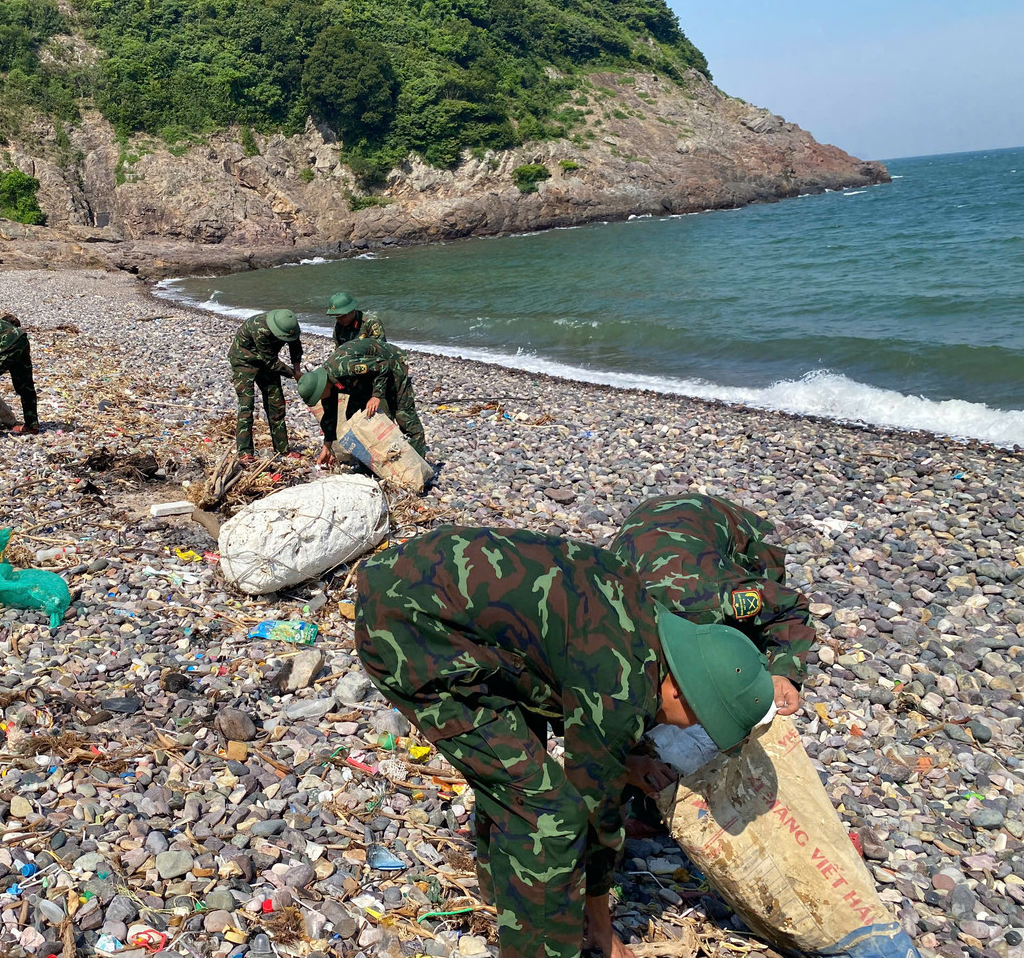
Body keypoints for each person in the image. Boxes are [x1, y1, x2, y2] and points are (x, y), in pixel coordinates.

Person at [356, 527, 776, 958]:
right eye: (699, 719)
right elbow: (595, 812)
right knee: (548, 814)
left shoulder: (646, 612)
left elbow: (572, 679)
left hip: (421, 584)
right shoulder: (621, 688)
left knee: (519, 765)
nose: (691, 730)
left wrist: (622, 755)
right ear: (680, 690)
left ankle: (503, 890)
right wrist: (600, 924)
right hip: (409, 631)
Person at [609, 493, 816, 716]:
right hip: (642, 521)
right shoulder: (608, 617)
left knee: (753, 635)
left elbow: (788, 607)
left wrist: (783, 672)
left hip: (707, 515)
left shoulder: (719, 596)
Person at [296, 337, 424, 464]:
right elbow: (329, 416)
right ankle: (370, 462)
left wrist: (376, 396)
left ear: (321, 387)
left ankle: (418, 467)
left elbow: (382, 365)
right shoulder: (326, 384)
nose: (320, 400)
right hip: (368, 376)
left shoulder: (345, 367)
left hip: (392, 364)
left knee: (404, 415)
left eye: (318, 397)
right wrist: (327, 447)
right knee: (355, 418)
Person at [227, 309, 303, 463]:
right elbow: (272, 362)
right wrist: (293, 375)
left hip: (267, 363)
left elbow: (295, 346)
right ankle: (245, 452)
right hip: (244, 362)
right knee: (247, 407)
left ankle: (282, 449)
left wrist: (297, 369)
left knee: (277, 405)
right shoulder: (259, 328)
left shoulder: (290, 326)